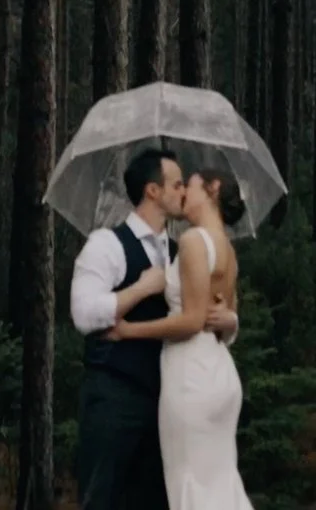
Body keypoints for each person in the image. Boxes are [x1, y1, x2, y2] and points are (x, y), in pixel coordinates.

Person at [68, 148, 238, 510]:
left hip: (169, 397)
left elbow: (206, 312)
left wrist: (231, 320)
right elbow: (83, 314)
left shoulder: (185, 249)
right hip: (114, 396)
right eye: (177, 184)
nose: (184, 192)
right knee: (102, 499)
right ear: (153, 191)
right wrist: (141, 289)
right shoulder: (106, 245)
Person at [108, 168, 252, 509]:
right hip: (219, 373)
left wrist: (128, 331)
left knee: (189, 482)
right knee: (218, 482)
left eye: (191, 184)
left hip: (190, 377)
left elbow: (190, 322)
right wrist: (230, 320)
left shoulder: (192, 241)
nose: (184, 191)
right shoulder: (228, 251)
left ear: (213, 189)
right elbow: (225, 316)